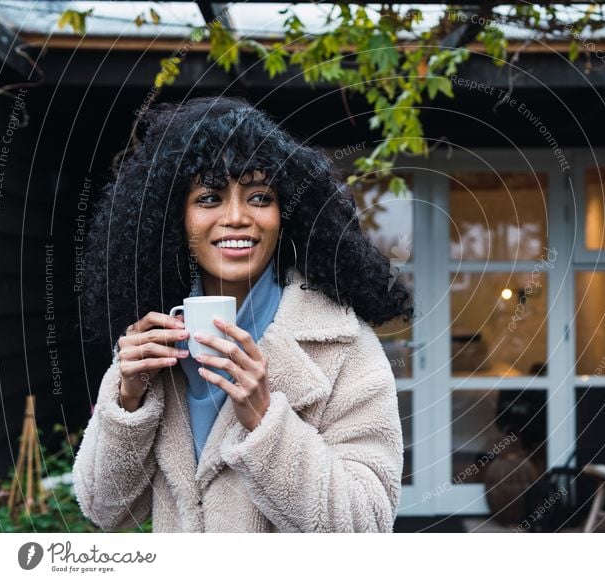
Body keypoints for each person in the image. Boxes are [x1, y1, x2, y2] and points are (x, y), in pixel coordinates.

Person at [72, 95, 413, 533]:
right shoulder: (154, 342)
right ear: (175, 217)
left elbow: (366, 525)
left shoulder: (344, 347)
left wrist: (265, 420)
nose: (236, 217)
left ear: (285, 214)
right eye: (210, 197)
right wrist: (128, 398)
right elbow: (103, 508)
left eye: (259, 196)